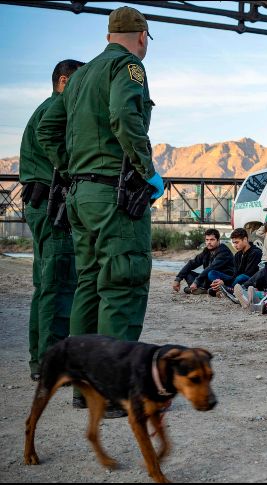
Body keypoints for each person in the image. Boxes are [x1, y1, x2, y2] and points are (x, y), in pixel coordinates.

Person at [37, 6, 162, 416]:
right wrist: (144, 170)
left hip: (81, 196)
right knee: (122, 282)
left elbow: (47, 129)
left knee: (88, 284)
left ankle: (84, 387)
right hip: (114, 195)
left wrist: (72, 168)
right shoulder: (127, 68)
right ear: (141, 35)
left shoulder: (79, 77)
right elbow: (125, 116)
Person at [20, 59, 84, 381]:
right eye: (77, 82)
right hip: (51, 207)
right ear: (63, 81)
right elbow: (59, 149)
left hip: (42, 205)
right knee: (59, 286)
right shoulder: (56, 109)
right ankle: (50, 363)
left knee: (45, 287)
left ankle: (41, 361)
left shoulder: (47, 107)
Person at [173, 229, 234, 294]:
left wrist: (196, 282)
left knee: (211, 273)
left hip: (223, 279)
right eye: (207, 240)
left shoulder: (224, 251)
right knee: (187, 272)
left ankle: (201, 288)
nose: (209, 242)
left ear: (218, 240)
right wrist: (178, 279)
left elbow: (212, 267)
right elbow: (192, 263)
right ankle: (200, 289)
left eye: (212, 240)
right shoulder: (207, 251)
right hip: (208, 279)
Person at [209, 228, 262, 296]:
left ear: (245, 239)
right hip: (237, 280)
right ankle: (222, 288)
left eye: (237, 242)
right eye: (233, 243)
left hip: (250, 281)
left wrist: (226, 282)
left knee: (241, 277)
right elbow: (235, 275)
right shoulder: (237, 255)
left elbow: (249, 274)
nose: (235, 245)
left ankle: (227, 290)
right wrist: (222, 282)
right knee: (212, 273)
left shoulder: (256, 252)